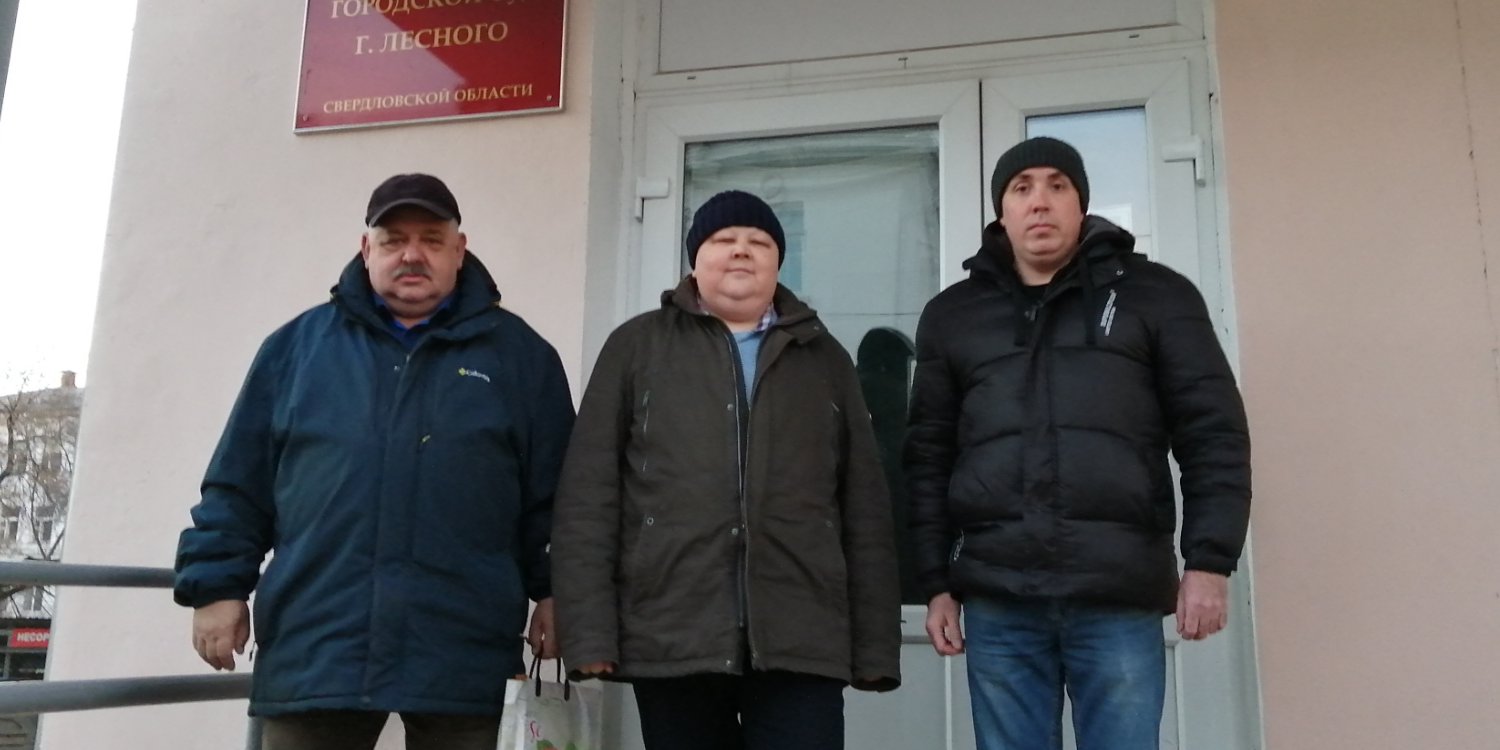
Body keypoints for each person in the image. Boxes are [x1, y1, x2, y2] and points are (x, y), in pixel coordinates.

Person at [173, 173, 575, 750]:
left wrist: (560, 594)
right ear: (367, 250)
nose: (412, 255)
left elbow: (557, 498)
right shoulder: (295, 351)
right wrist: (216, 587)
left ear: (460, 250)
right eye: (393, 240)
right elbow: (238, 485)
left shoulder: (523, 359)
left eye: (431, 240)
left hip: (463, 649)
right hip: (318, 645)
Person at [904, 137, 1252, 750]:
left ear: (1082, 204)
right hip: (1000, 598)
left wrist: (1209, 562)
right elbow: (929, 456)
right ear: (1002, 211)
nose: (1040, 201)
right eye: (1022, 188)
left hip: (1116, 594)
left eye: (1057, 185)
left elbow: (1212, 434)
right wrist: (934, 583)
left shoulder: (1157, 297)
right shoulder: (953, 315)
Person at [552, 190, 902, 750]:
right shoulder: (636, 348)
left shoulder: (824, 358)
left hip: (801, 635)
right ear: (695, 260)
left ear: (778, 262)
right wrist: (588, 631)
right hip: (673, 632)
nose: (741, 251)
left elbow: (864, 505)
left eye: (758, 242)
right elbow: (588, 495)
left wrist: (876, 645)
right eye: (723, 240)